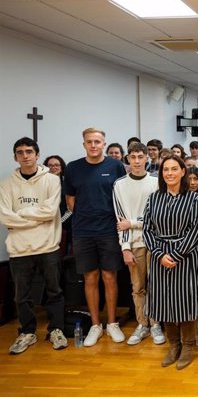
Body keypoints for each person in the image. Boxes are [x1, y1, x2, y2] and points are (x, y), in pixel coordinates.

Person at [0, 137, 67, 354]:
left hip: (47, 246)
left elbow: (49, 212)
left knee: (54, 291)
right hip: (19, 248)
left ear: (37, 155)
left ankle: (56, 329)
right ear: (15, 157)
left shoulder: (52, 180)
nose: (25, 155)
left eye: (29, 151)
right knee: (22, 295)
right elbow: (5, 217)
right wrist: (34, 217)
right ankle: (27, 332)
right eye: (20, 152)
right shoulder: (7, 184)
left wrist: (20, 214)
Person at [143, 155, 198, 370]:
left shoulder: (193, 198)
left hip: (186, 258)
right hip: (159, 258)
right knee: (165, 304)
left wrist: (177, 254)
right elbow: (147, 230)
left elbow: (196, 230)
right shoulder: (153, 199)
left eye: (174, 169)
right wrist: (160, 254)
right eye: (165, 170)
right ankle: (174, 346)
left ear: (183, 172)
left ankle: (188, 346)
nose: (169, 173)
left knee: (186, 303)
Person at [64, 128, 127, 346]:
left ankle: (111, 323)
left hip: (109, 230)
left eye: (97, 142)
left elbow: (122, 195)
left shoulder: (115, 166)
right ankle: (95, 325)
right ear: (84, 144)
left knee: (110, 277)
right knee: (90, 278)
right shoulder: (73, 168)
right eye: (89, 142)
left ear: (104, 144)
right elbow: (70, 199)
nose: (93, 145)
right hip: (83, 232)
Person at [112, 142, 164, 346]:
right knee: (138, 287)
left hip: (156, 242)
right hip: (134, 244)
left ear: (147, 159)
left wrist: (133, 222)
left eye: (140, 157)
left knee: (156, 285)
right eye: (132, 157)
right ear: (128, 159)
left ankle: (156, 323)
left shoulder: (156, 182)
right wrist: (125, 248)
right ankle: (143, 324)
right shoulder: (119, 185)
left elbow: (158, 216)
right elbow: (120, 221)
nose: (136, 161)